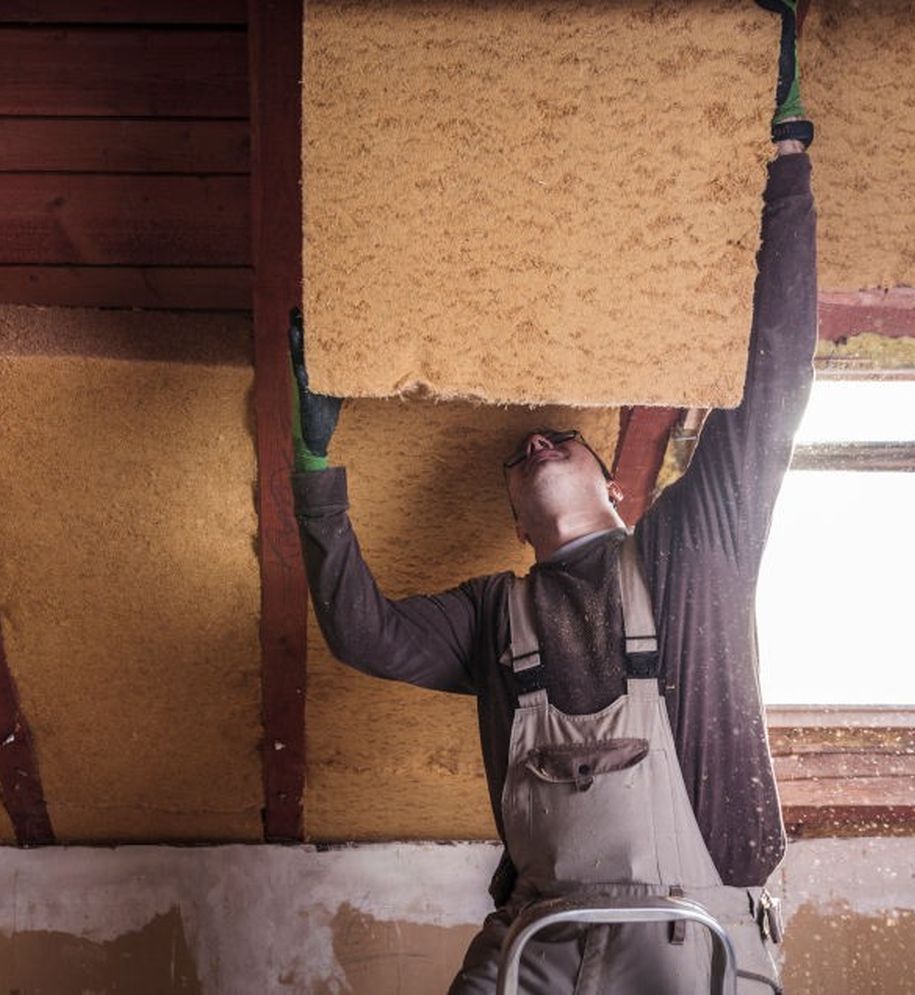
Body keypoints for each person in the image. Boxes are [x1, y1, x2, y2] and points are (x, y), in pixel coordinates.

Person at [289, 3, 814, 989]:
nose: (536, 439)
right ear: (514, 521)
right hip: (537, 953)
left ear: (621, 493)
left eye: (561, 436)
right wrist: (314, 465)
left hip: (694, 946)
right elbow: (362, 631)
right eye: (524, 454)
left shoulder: (691, 554)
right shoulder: (494, 613)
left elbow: (776, 379)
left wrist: (786, 150)